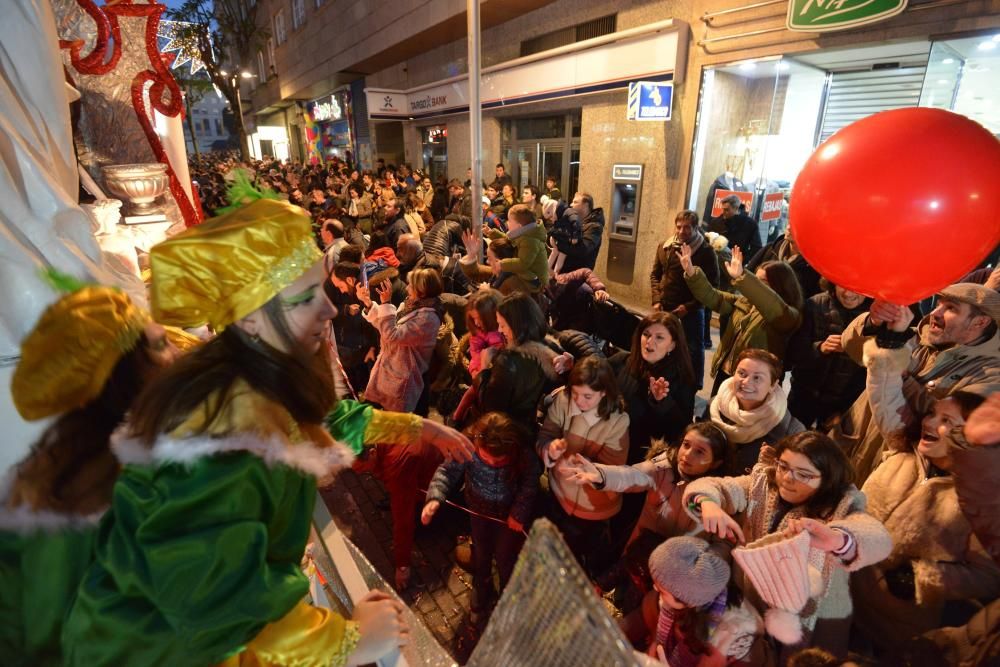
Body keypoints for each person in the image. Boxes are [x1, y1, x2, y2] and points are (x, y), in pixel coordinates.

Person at [62, 195, 473, 666]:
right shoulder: (225, 427)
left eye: (321, 289)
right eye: (304, 298)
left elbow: (321, 423)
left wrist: (415, 426)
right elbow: (231, 604)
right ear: (252, 317)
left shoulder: (253, 374)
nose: (330, 311)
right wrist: (353, 640)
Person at [0, 285, 180, 665]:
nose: (178, 353)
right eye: (161, 345)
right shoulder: (74, 498)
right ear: (122, 375)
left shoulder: (121, 463)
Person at [685, 432, 893, 660]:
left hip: (804, 615)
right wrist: (708, 503)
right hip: (752, 596)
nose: (787, 478)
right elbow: (714, 486)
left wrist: (840, 540)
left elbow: (877, 538)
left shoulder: (842, 505)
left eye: (803, 474)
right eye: (783, 466)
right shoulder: (762, 482)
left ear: (827, 478)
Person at [851, 337, 1000, 653]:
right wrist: (888, 341)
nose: (930, 422)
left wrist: (920, 578)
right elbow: (885, 395)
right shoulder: (902, 450)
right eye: (933, 413)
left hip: (894, 629)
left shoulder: (977, 501)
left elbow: (988, 575)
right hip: (842, 595)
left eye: (947, 421)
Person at [831, 284, 1000, 485]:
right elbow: (852, 348)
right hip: (847, 447)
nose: (935, 313)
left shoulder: (992, 377)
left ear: (980, 322)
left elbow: (945, 424)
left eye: (951, 308)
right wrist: (873, 322)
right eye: (938, 304)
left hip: (893, 474)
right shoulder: (912, 336)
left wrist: (893, 367)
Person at [561, 423, 727, 598]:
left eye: (700, 452)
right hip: (637, 557)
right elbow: (632, 475)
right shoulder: (664, 467)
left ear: (716, 463)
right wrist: (602, 475)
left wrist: (698, 569)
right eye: (686, 445)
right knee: (622, 598)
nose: (687, 454)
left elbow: (722, 542)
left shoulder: (718, 495)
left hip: (675, 577)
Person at [422, 412, 540, 628]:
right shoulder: (466, 447)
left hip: (508, 519)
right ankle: (482, 582)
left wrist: (519, 512)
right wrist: (435, 497)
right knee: (482, 551)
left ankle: (507, 593)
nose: (493, 463)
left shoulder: (523, 455)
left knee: (506, 558)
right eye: (487, 458)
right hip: (478, 512)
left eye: (500, 461)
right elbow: (446, 473)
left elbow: (530, 484)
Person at [537, 355, 631, 577]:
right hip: (559, 491)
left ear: (604, 393)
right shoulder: (563, 400)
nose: (579, 402)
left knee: (581, 548)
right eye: (575, 394)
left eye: (588, 397)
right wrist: (550, 449)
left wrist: (577, 465)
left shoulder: (617, 422)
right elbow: (546, 434)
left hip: (593, 507)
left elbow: (613, 470)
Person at [680, 243, 803, 397]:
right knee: (715, 412)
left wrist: (743, 278)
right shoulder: (744, 302)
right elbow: (711, 296)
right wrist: (692, 272)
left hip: (753, 381)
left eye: (761, 282)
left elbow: (771, 303)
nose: (753, 285)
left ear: (781, 285)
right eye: (755, 279)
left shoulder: (787, 315)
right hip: (727, 371)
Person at [785, 281, 872, 428]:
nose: (848, 293)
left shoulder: (876, 317)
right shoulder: (815, 304)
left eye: (856, 287)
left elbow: (872, 372)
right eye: (842, 285)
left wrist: (845, 408)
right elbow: (793, 352)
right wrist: (820, 348)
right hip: (803, 394)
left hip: (842, 402)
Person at [472, 293, 568, 425]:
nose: (500, 330)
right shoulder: (550, 347)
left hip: (505, 429)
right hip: (529, 423)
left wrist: (483, 368)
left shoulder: (507, 361)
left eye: (503, 325)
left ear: (517, 325)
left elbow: (490, 409)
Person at [650, 210, 721, 388]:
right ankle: (663, 377)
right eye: (679, 227)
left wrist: (689, 307)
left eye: (687, 228)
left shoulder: (705, 251)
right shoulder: (665, 246)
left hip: (691, 309)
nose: (682, 231)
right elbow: (655, 275)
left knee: (694, 349)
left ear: (696, 228)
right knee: (663, 342)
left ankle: (693, 385)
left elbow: (712, 286)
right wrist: (657, 299)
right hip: (665, 305)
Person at [358, 267, 443, 413]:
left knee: (399, 428)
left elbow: (392, 335)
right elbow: (386, 327)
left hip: (404, 382)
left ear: (421, 291)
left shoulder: (428, 318)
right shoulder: (410, 306)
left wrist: (386, 303)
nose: (407, 287)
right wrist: (369, 304)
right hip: (390, 374)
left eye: (411, 285)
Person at [709, 348, 804, 476]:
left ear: (773, 385)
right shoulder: (716, 406)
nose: (746, 382)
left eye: (757, 378)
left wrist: (776, 468)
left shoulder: (791, 432)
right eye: (742, 373)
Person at [746, 226, 821, 300]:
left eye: (795, 225)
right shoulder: (770, 249)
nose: (788, 227)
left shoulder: (813, 265)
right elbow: (748, 274)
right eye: (789, 222)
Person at [488, 204, 548, 291]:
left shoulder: (530, 240)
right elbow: (509, 240)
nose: (507, 223)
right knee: (506, 271)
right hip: (528, 272)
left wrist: (502, 264)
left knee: (505, 272)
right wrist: (492, 233)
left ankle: (492, 290)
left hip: (535, 280)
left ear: (519, 226)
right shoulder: (525, 233)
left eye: (509, 221)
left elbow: (523, 263)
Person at [459, 231, 539, 296]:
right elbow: (475, 272)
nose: (487, 262)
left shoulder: (514, 285)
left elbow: (509, 313)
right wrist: (471, 254)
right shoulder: (502, 272)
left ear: (500, 261)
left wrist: (488, 293)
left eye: (489, 258)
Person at [551, 192, 605, 273]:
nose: (571, 205)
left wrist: (559, 244)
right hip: (564, 270)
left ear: (586, 205)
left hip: (577, 273)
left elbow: (582, 250)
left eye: (575, 202)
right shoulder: (573, 220)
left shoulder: (594, 226)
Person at [707, 194, 762, 260]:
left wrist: (742, 260)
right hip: (717, 261)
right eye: (723, 209)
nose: (723, 212)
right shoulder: (716, 222)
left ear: (736, 208)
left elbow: (756, 248)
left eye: (727, 210)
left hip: (737, 263)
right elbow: (707, 242)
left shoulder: (750, 224)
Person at [548, 198, 584, 276]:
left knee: (559, 254)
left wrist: (575, 236)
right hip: (562, 239)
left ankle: (553, 273)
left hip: (564, 239)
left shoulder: (568, 212)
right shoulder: (562, 213)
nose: (571, 204)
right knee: (558, 253)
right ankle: (551, 272)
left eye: (575, 201)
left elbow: (575, 222)